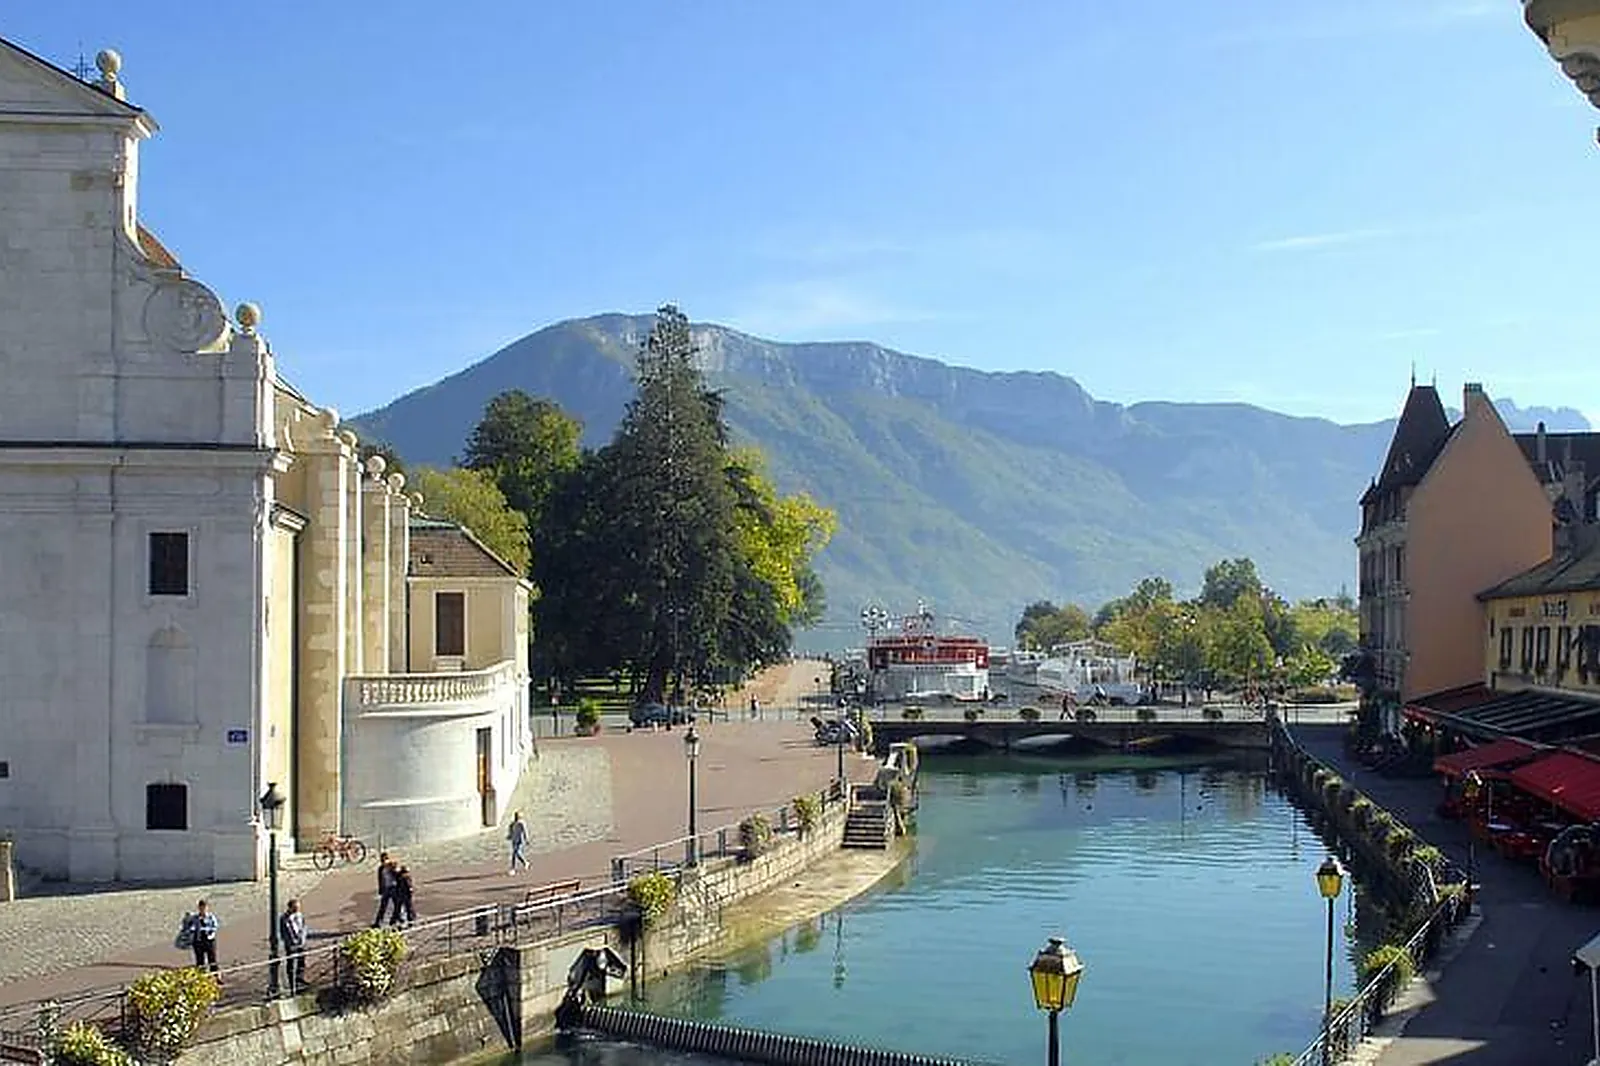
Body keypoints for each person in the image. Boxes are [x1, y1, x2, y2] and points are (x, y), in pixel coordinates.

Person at [279, 899, 307, 994]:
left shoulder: (300, 915)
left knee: (301, 962)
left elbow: (304, 927)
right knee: (291, 964)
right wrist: (290, 943)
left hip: (301, 943)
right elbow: (284, 933)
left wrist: (302, 939)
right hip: (291, 945)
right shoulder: (284, 918)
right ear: (290, 908)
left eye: (298, 908)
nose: (297, 910)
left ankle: (300, 980)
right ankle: (292, 984)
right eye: (295, 908)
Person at [185, 899, 220, 972]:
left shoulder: (210, 917)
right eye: (201, 908)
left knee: (212, 959)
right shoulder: (195, 918)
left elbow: (214, 927)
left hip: (209, 940)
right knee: (200, 960)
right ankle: (202, 977)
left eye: (204, 908)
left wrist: (207, 930)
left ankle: (216, 976)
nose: (202, 910)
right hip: (198, 941)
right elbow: (189, 926)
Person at [373, 852, 398, 927]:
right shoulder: (381, 869)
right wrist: (380, 889)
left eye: (385, 859)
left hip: (393, 887)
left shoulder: (391, 866)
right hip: (386, 889)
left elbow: (397, 873)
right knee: (383, 906)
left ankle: (396, 920)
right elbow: (380, 879)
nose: (383, 861)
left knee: (397, 905)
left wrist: (391, 866)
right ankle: (378, 922)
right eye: (382, 859)